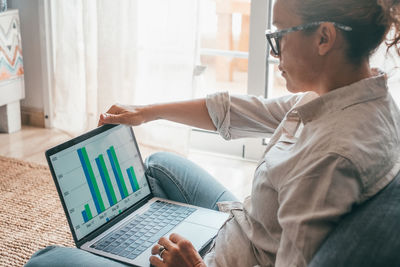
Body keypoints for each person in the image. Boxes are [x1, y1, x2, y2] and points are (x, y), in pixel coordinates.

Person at [26, 0, 400, 266]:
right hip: (246, 226)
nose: (274, 52)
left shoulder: (332, 157)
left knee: (46, 260)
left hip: (227, 258)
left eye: (279, 37)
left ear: (324, 38)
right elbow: (240, 110)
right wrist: (146, 112)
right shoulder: (357, 98)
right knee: (160, 165)